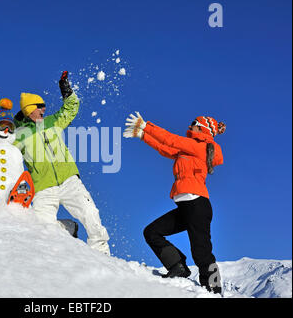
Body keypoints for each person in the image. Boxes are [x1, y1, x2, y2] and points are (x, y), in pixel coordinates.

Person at [123, 112, 226, 294]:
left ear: (202, 128)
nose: (190, 124)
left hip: (197, 205)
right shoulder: (190, 148)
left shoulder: (199, 146)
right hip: (186, 207)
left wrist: (146, 126)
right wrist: (142, 135)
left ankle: (214, 291)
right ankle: (177, 266)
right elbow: (166, 149)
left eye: (194, 122)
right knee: (152, 232)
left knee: (201, 251)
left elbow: (170, 140)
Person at [13, 71, 110, 255]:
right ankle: (68, 228)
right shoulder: (20, 135)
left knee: (90, 214)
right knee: (42, 229)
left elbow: (71, 108)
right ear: (29, 109)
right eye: (40, 106)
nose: (44, 109)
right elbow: (6, 153)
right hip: (43, 188)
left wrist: (66, 91)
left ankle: (101, 253)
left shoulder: (52, 122)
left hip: (68, 180)